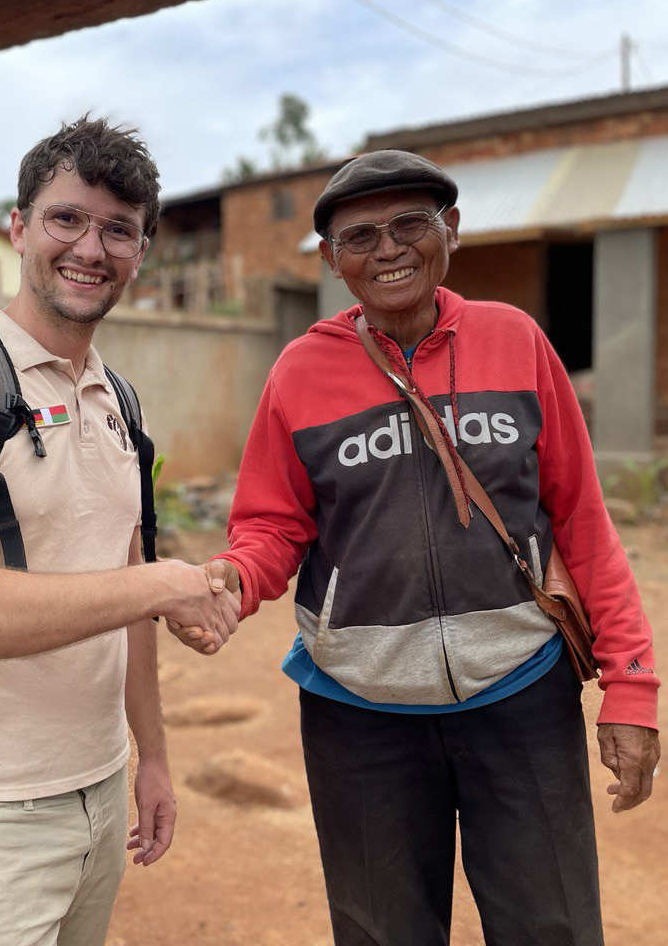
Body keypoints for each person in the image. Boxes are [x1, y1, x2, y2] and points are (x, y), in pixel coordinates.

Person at [172, 150, 661, 946]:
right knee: (381, 934)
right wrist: (229, 580)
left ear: (453, 232)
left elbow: (582, 522)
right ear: (331, 261)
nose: (389, 249)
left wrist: (631, 688)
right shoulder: (298, 372)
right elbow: (272, 525)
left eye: (410, 225)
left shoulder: (517, 341)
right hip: (357, 713)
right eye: (359, 237)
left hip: (522, 693)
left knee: (554, 928)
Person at [0, 116, 239, 945]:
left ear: (143, 250)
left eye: (118, 229)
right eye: (67, 219)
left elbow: (118, 582)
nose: (90, 248)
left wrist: (150, 755)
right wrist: (167, 584)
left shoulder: (117, 396)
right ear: (19, 226)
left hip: (95, 798)